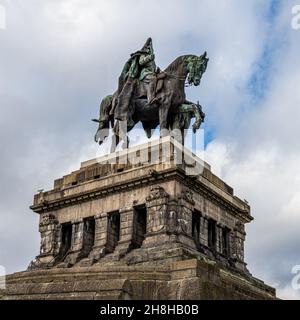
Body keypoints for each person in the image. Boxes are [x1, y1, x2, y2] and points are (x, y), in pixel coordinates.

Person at [114, 38, 157, 126]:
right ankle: (150, 97)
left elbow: (153, 68)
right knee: (153, 79)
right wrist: (149, 58)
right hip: (145, 74)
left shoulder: (151, 58)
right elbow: (141, 62)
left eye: (150, 49)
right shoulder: (143, 55)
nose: (149, 50)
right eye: (148, 48)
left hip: (152, 73)